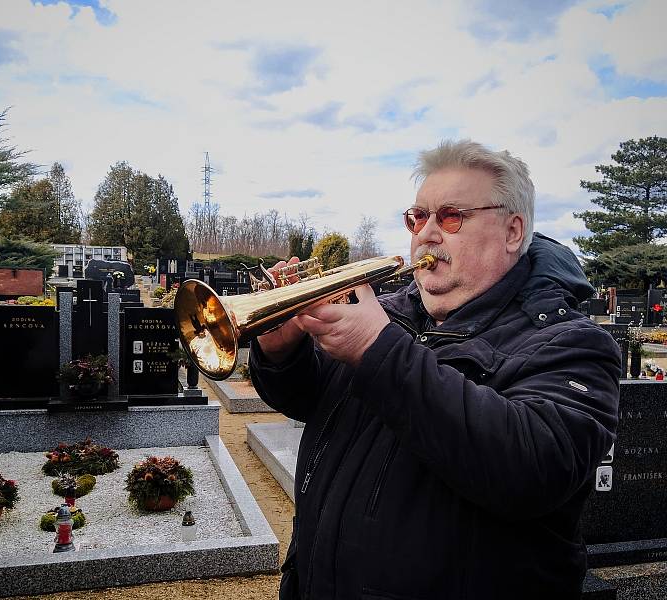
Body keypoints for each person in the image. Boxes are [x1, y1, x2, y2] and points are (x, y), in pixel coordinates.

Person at [249, 140, 621, 600]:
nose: (426, 233)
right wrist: (282, 354)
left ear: (511, 231)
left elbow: (532, 469)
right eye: (417, 217)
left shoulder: (574, 343)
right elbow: (309, 399)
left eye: (450, 216)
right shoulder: (388, 310)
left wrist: (376, 349)